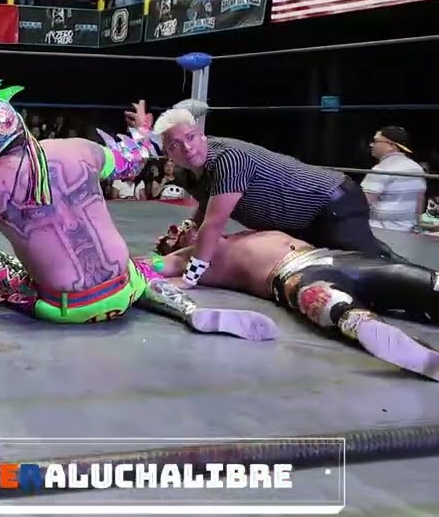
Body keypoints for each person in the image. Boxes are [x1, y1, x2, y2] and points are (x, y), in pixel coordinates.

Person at [0, 82, 276, 342]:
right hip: (123, 290)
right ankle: (186, 308)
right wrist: (143, 134)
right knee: (139, 268)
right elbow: (132, 161)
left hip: (67, 308)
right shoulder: (79, 149)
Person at [154, 221, 439, 380]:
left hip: (332, 258)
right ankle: (382, 335)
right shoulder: (186, 260)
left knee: (416, 279)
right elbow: (141, 267)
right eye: (172, 236)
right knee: (326, 300)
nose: (180, 229)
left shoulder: (232, 232)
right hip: (289, 275)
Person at [153, 108, 403, 289]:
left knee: (366, 272)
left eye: (190, 137)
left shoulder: (228, 159)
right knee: (332, 268)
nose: (187, 148)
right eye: (175, 145)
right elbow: (207, 203)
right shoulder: (187, 172)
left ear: (201, 134)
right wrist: (189, 226)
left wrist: (190, 278)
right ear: (167, 154)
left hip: (331, 202)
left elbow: (215, 223)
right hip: (301, 219)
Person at [363, 126, 426, 232]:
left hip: (380, 230)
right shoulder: (417, 168)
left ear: (391, 146)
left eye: (376, 141)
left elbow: (362, 202)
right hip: (408, 231)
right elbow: (419, 202)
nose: (371, 145)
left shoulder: (381, 169)